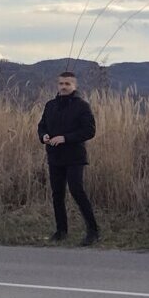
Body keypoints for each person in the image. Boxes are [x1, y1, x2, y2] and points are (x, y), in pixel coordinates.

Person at [37, 71, 99, 246]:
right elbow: (41, 126)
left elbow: (89, 131)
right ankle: (61, 231)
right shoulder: (50, 105)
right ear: (57, 85)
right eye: (61, 84)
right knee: (57, 194)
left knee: (77, 191)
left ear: (74, 86)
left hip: (74, 157)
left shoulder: (82, 106)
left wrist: (65, 138)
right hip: (54, 156)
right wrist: (44, 136)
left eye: (67, 84)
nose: (64, 87)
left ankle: (93, 231)